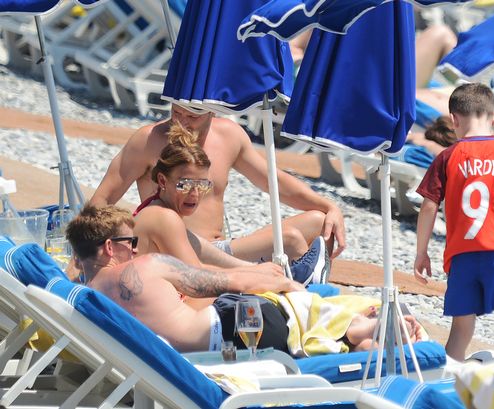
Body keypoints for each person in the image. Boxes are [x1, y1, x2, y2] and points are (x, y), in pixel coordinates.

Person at [66, 204, 422, 355]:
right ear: (110, 248)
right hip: (238, 334)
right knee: (289, 298)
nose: (136, 249)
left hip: (206, 342)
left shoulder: (82, 296)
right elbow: (222, 283)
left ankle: (356, 339)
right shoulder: (144, 267)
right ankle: (360, 329)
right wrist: (274, 280)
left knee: (290, 302)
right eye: (131, 244)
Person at [90, 103, 346, 263]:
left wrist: (330, 206)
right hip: (178, 249)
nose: (182, 122)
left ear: (212, 110)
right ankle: (306, 302)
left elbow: (274, 182)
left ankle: (296, 293)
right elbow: (101, 201)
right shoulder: (147, 141)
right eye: (176, 112)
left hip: (223, 247)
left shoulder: (229, 136)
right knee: (290, 240)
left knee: (321, 221)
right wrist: (94, 256)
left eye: (193, 116)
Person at [413, 83, 494, 369]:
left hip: (462, 255)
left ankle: (449, 386)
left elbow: (429, 206)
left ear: (454, 119)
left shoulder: (447, 157)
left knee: (461, 329)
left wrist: (422, 252)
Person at [133, 125, 330, 286]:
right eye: (184, 185)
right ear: (162, 180)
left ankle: (301, 281)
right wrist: (257, 276)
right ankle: (304, 284)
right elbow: (197, 276)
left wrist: (257, 270)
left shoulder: (165, 212)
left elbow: (216, 258)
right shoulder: (162, 218)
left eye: (202, 185)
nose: (194, 194)